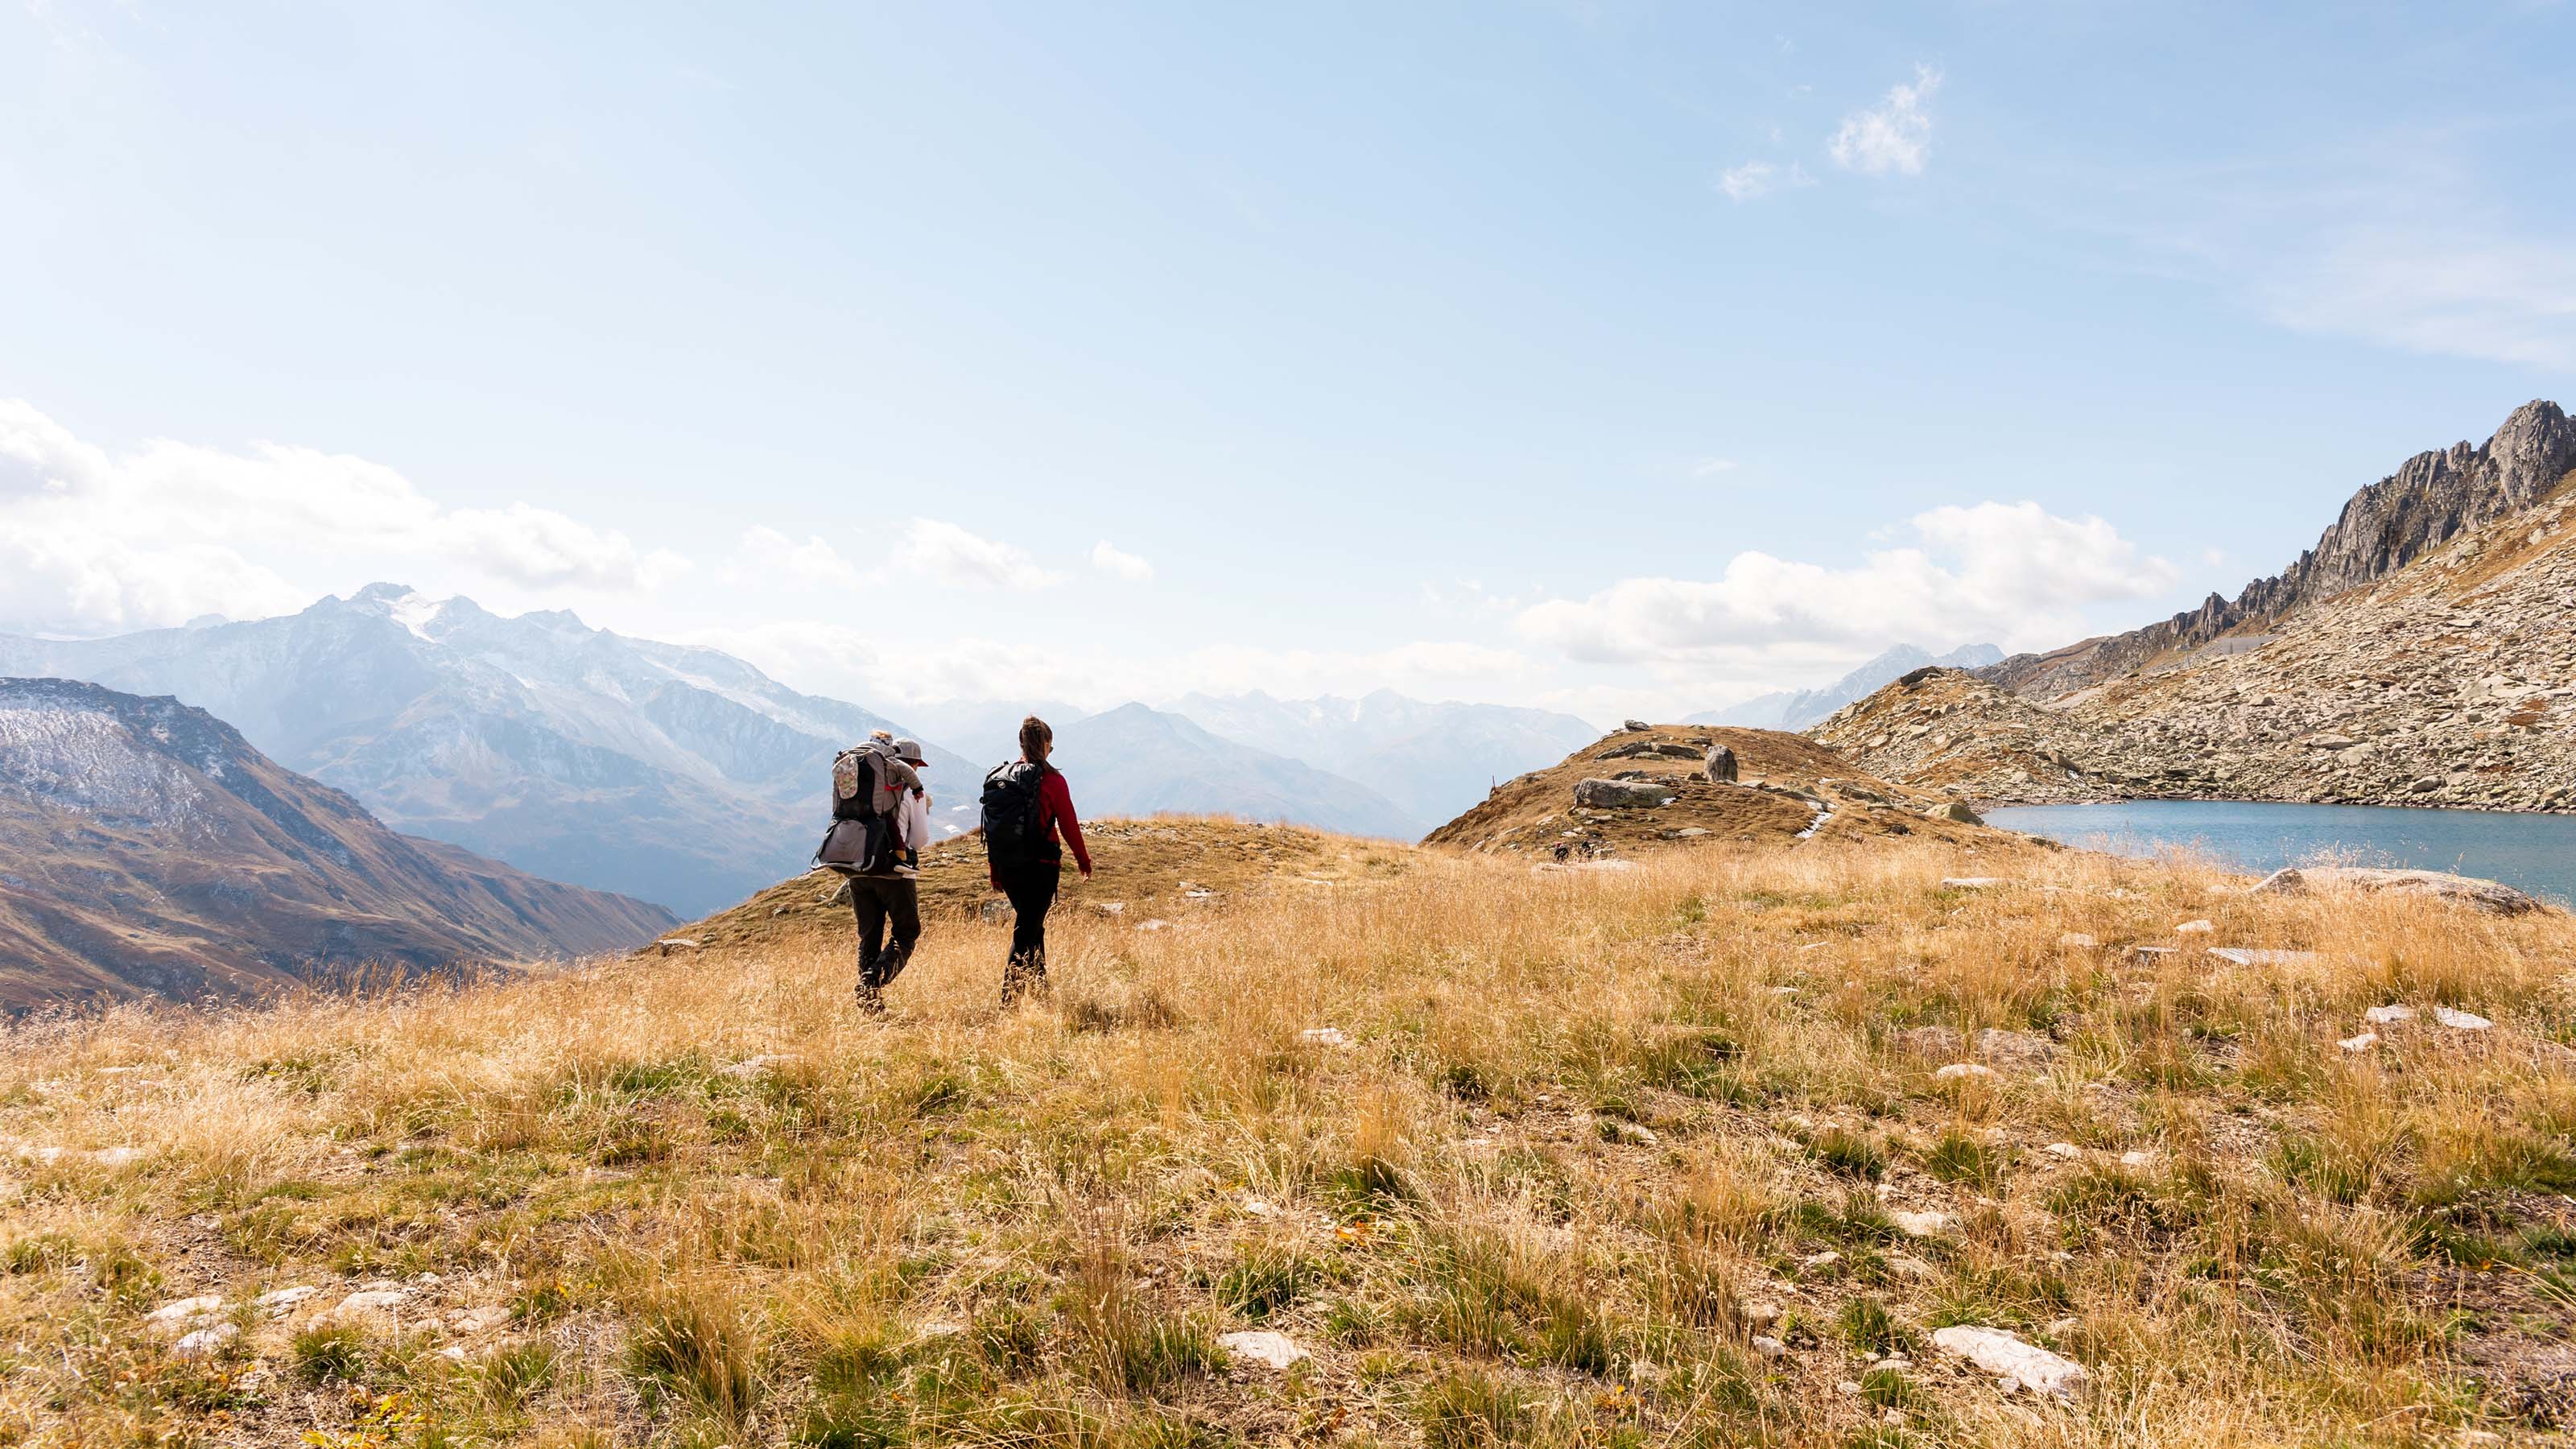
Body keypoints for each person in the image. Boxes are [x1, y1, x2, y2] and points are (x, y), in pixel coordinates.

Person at [985, 715, 1091, 1005]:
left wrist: (996, 871)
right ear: (1044, 745)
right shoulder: (1053, 781)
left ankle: (1042, 991)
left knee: (1032, 926)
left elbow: (994, 832)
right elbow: (1068, 824)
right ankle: (1009, 1002)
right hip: (1041, 868)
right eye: (1050, 747)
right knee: (1027, 929)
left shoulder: (1002, 779)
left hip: (1008, 868)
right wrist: (1083, 860)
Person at [848, 734, 931, 1017]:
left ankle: (870, 1008)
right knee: (907, 932)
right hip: (894, 872)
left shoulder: (867, 787)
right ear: (913, 765)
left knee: (869, 936)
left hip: (858, 867)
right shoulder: (908, 790)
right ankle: (870, 983)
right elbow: (919, 840)